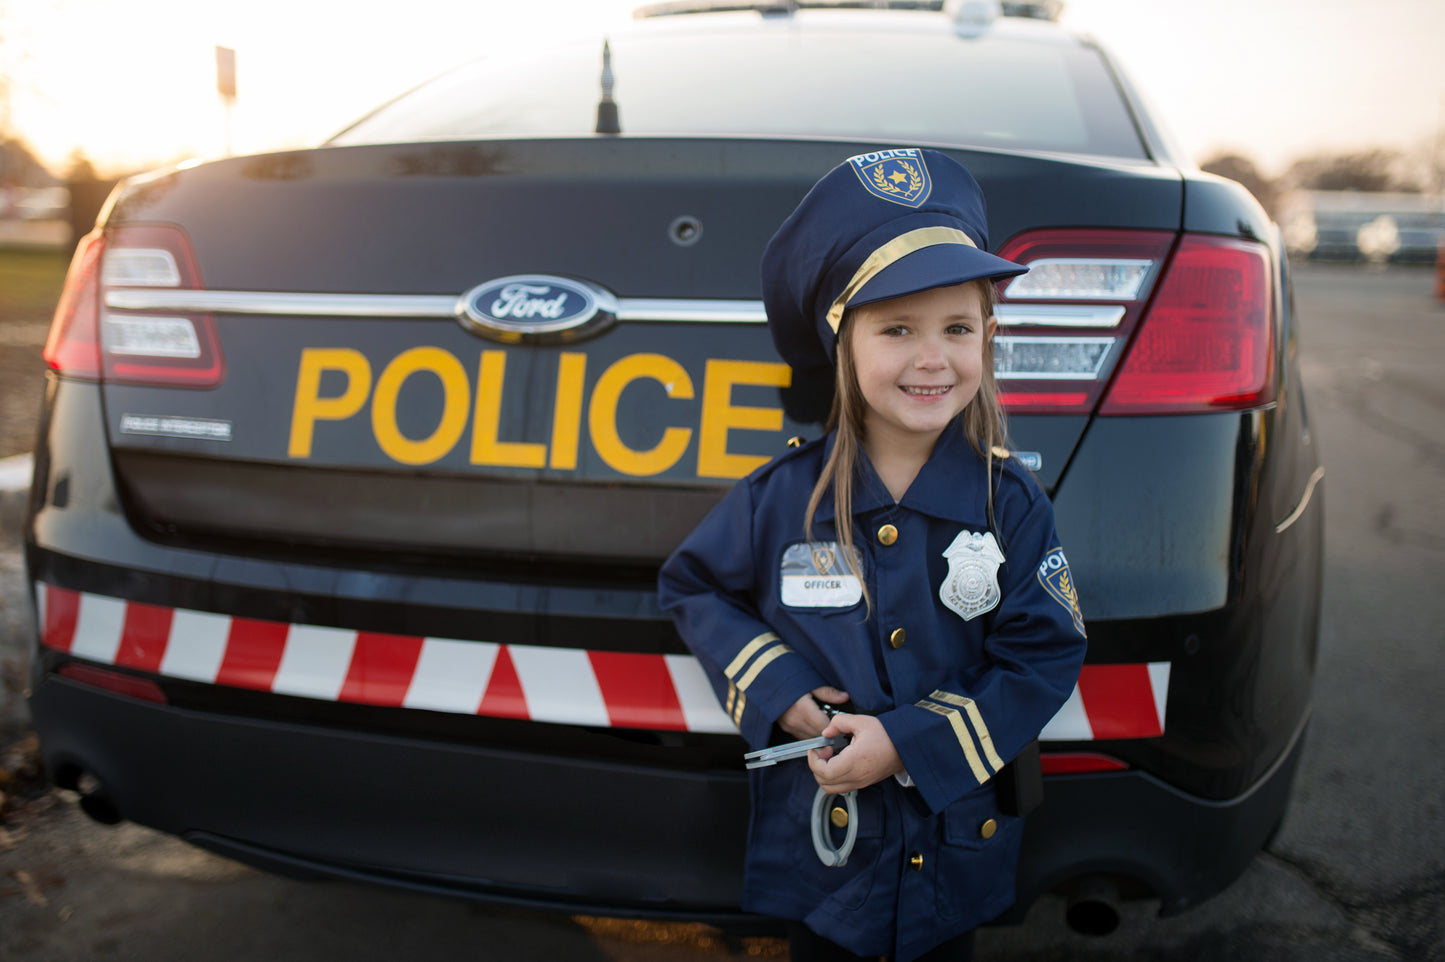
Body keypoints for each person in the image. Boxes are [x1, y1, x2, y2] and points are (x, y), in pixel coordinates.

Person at [657, 148, 1088, 962]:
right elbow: (693, 586)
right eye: (897, 328)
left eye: (957, 328)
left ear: (988, 337)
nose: (933, 358)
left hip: (953, 849)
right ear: (840, 344)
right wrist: (780, 690)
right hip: (821, 857)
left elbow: (1043, 654)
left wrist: (909, 745)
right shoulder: (781, 497)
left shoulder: (1012, 506)